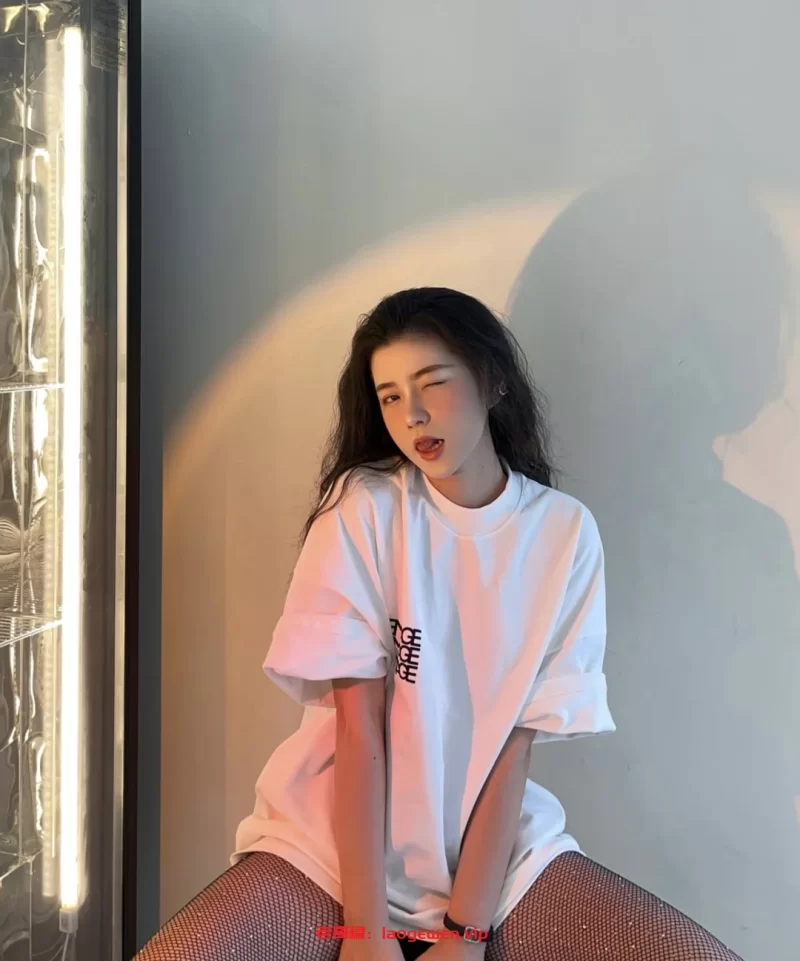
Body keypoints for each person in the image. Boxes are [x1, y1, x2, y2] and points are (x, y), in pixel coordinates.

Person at [136, 287, 744, 961]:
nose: (413, 414)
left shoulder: (564, 535)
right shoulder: (364, 507)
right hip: (328, 852)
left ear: (493, 381)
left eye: (433, 384)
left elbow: (511, 750)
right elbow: (358, 729)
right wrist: (365, 932)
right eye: (390, 396)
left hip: (497, 862)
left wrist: (464, 934)